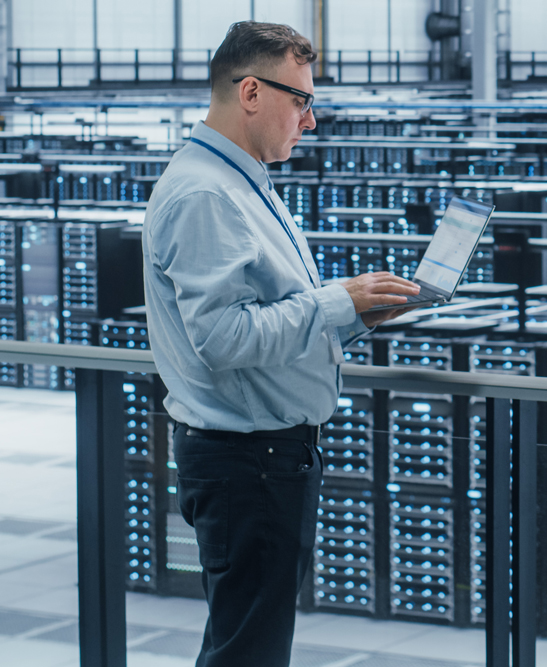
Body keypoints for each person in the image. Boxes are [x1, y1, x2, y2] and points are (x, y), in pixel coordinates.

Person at [141, 21, 418, 667]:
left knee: (244, 643)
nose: (310, 119)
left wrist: (355, 315)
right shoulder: (208, 192)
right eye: (301, 99)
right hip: (249, 461)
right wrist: (334, 301)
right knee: (249, 653)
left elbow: (270, 317)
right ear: (251, 93)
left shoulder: (240, 181)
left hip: (262, 458)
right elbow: (223, 337)